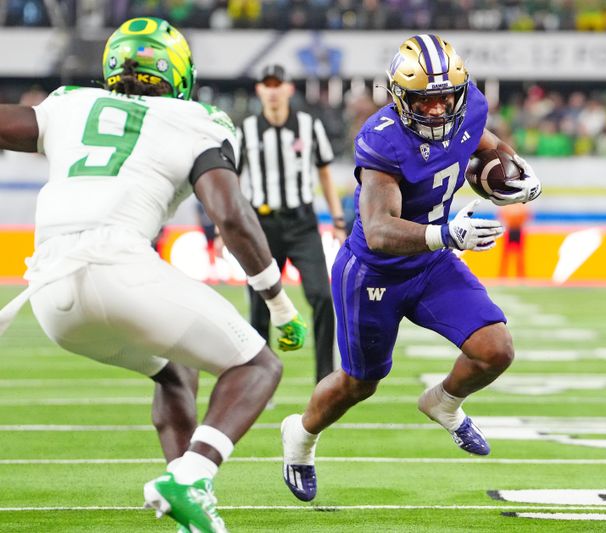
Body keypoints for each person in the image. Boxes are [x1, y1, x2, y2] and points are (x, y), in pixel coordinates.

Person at [0, 17, 308, 533]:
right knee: (258, 367)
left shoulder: (69, 103)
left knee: (175, 368)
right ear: (179, 72)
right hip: (119, 270)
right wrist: (278, 302)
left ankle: (182, 497)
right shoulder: (199, 119)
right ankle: (191, 478)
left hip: (50, 295)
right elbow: (231, 216)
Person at [279, 34, 541, 502]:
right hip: (374, 271)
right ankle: (299, 438)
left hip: (432, 261)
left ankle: (443, 402)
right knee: (360, 382)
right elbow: (379, 228)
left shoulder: (469, 106)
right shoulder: (382, 140)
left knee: (495, 349)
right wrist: (446, 235)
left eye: (446, 99)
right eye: (426, 101)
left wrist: (510, 165)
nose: (439, 111)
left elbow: (481, 139)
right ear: (400, 98)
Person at [237, 64, 345, 383]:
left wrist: (337, 219)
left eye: (277, 84)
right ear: (259, 90)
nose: (272, 90)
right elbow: (232, 178)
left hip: (302, 223)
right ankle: (259, 378)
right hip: (261, 226)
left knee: (322, 297)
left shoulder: (308, 126)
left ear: (288, 89)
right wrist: (225, 227)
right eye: (266, 84)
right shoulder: (246, 130)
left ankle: (326, 376)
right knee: (259, 304)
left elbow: (325, 172)